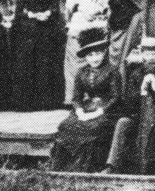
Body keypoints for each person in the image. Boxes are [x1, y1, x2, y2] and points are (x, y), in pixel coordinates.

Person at [48, 28, 123, 172]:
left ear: (104, 53)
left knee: (93, 127)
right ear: (86, 57)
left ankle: (85, 167)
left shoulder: (112, 71)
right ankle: (63, 167)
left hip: (109, 110)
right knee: (66, 125)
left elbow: (115, 97)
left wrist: (98, 112)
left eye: (98, 53)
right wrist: (80, 111)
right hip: (87, 108)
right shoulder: (82, 72)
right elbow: (76, 98)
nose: (95, 58)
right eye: (90, 55)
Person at [111, 35, 155, 175]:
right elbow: (128, 104)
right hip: (139, 119)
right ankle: (112, 165)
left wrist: (154, 91)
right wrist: (142, 91)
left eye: (154, 53)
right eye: (147, 54)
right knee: (122, 122)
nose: (151, 58)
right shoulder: (136, 74)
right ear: (142, 55)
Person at [64, 0, 117, 100]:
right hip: (81, 21)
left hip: (99, 21)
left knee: (97, 58)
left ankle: (98, 97)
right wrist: (81, 11)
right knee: (76, 58)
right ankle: (74, 98)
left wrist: (102, 10)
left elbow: (111, 1)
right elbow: (70, 3)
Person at [13, 0, 68, 111]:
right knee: (31, 64)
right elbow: (19, 11)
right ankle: (30, 102)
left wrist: (48, 13)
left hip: (47, 30)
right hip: (30, 31)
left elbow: (55, 7)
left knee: (46, 63)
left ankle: (47, 101)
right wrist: (32, 15)